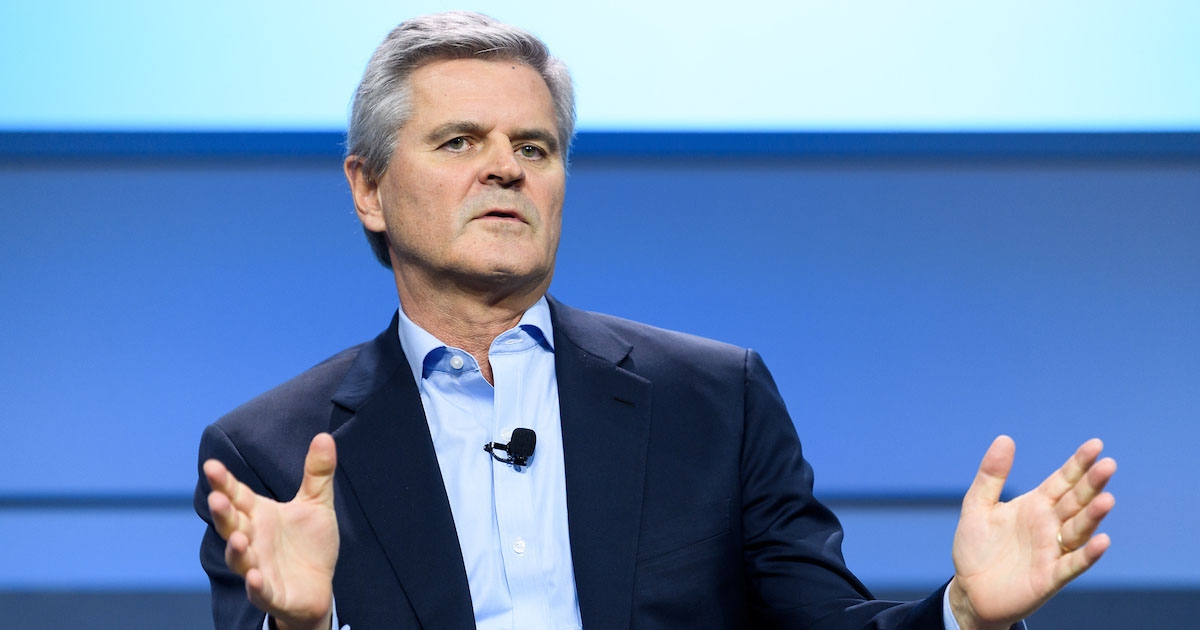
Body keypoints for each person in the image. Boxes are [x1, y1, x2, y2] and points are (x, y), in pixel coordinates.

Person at [195, 11, 1116, 630]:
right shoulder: (273, 451)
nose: (506, 167)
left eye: (534, 147)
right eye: (459, 141)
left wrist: (962, 614)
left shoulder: (714, 401)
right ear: (368, 190)